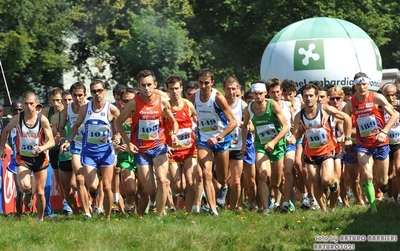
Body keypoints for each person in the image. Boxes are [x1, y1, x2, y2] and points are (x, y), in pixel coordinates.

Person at [115, 70, 179, 217]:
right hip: (141, 150)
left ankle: (159, 216)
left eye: (149, 85)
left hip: (159, 147)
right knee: (150, 189)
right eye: (143, 85)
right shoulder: (133, 103)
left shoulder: (162, 101)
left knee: (163, 181)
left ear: (155, 85)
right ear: (138, 86)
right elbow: (119, 122)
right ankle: (155, 200)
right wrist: (128, 142)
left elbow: (173, 121)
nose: (146, 88)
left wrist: (173, 134)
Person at [62, 80, 120, 220]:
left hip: (106, 151)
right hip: (89, 152)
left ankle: (107, 217)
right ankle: (92, 204)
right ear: (91, 93)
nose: (97, 94)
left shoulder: (111, 109)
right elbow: (76, 126)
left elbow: (120, 126)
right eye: (94, 91)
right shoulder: (85, 109)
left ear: (105, 91)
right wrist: (68, 141)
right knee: (93, 186)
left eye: (99, 91)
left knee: (107, 187)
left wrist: (117, 136)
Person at [343, 72, 399, 213]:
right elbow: (344, 119)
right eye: (359, 84)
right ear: (354, 86)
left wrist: (384, 131)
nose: (362, 87)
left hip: (381, 143)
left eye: (364, 84)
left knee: (382, 181)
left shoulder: (377, 97)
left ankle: (384, 185)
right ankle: (373, 208)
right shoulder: (351, 104)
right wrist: (347, 136)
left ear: (368, 85)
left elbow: (395, 114)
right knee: (367, 175)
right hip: (363, 145)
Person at [293, 84, 352, 212]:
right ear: (302, 98)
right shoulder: (299, 115)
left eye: (311, 96)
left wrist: (346, 137)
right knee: (316, 183)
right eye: (306, 96)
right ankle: (325, 211)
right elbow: (298, 133)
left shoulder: (325, 109)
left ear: (316, 97)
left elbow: (346, 118)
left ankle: (333, 203)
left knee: (326, 179)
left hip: (327, 151)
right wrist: (293, 138)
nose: (308, 98)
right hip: (310, 154)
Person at [187, 68, 237, 215]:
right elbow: (186, 113)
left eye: (207, 83)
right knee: (206, 173)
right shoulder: (193, 98)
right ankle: (213, 209)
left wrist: (218, 137)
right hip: (204, 140)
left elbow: (233, 122)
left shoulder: (218, 97)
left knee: (221, 177)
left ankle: (223, 187)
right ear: (197, 82)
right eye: (201, 83)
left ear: (212, 82)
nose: (203, 86)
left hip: (221, 139)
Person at [0, 91, 55, 221]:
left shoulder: (42, 119)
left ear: (36, 103)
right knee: (25, 186)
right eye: (26, 104)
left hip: (40, 158)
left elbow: (51, 141)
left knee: (40, 192)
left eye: (31, 103)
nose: (29, 106)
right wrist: (2, 148)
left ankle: (40, 219)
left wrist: (42, 147)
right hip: (23, 158)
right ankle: (28, 194)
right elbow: (5, 131)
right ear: (23, 105)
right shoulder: (17, 118)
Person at [241, 81, 289, 214]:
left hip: (277, 145)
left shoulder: (273, 105)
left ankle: (286, 201)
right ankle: (266, 209)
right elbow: (244, 126)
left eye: (260, 93)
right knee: (262, 175)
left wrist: (274, 142)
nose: (258, 97)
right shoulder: (249, 109)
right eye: (255, 94)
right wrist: (244, 143)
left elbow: (285, 127)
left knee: (276, 182)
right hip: (261, 145)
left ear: (265, 93)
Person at [164, 75, 198, 213]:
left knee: (191, 182)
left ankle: (188, 213)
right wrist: (165, 144)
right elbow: (159, 127)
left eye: (177, 88)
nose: (174, 91)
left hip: (189, 149)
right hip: (173, 150)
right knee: (178, 186)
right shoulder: (165, 106)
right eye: (171, 89)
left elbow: (198, 122)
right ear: (167, 90)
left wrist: (199, 136)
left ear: (181, 88)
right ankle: (179, 196)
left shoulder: (188, 105)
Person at [59, 82, 92, 217]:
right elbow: (61, 127)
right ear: (71, 95)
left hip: (92, 146)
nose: (78, 98)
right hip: (76, 145)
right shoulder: (67, 110)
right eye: (75, 95)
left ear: (85, 95)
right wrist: (63, 140)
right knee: (78, 179)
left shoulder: (91, 107)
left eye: (80, 95)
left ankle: (96, 204)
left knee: (94, 183)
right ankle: (83, 213)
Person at [266, 78, 296, 212]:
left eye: (278, 92)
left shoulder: (288, 105)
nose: (276, 95)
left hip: (288, 142)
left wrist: (294, 136)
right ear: (268, 93)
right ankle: (280, 200)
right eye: (273, 92)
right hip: (275, 144)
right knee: (276, 179)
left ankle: (286, 202)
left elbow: (294, 124)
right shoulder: (266, 106)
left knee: (288, 171)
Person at [41, 87, 72, 215]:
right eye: (53, 100)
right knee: (60, 180)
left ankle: (76, 203)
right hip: (54, 149)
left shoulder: (69, 112)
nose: (57, 103)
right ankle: (65, 204)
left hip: (69, 147)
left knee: (75, 180)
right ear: (49, 100)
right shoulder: (47, 112)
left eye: (59, 100)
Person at [51, 90, 79, 215]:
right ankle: (73, 211)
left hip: (78, 151)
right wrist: (59, 139)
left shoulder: (81, 112)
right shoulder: (56, 117)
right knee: (64, 186)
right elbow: (54, 136)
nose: (67, 102)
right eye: (64, 100)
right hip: (63, 153)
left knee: (75, 183)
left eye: (69, 100)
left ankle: (90, 205)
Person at [222, 76, 247, 210]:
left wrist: (245, 126)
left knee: (236, 181)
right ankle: (223, 204)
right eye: (228, 89)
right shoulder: (220, 103)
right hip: (223, 146)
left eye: (234, 89)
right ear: (223, 89)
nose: (231, 92)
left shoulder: (243, 105)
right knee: (223, 180)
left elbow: (251, 125)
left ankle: (232, 207)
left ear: (238, 89)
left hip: (237, 145)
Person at [5, 101, 25, 215]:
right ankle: (19, 215)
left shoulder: (30, 123)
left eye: (20, 110)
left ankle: (29, 197)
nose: (17, 112)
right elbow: (4, 134)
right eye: (15, 110)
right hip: (16, 160)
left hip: (30, 159)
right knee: (19, 189)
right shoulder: (10, 123)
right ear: (12, 111)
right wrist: (3, 148)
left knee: (28, 189)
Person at [381, 83, 400, 205]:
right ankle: (391, 198)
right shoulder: (379, 107)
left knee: (398, 171)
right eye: (388, 95)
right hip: (385, 144)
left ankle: (399, 196)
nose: (391, 98)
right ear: (383, 96)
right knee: (389, 174)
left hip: (398, 143)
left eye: (393, 95)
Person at [111, 84, 127, 209]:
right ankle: (115, 198)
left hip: (131, 145)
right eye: (117, 99)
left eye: (122, 100)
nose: (120, 102)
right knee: (114, 168)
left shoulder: (132, 109)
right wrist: (115, 144)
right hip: (114, 146)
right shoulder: (111, 110)